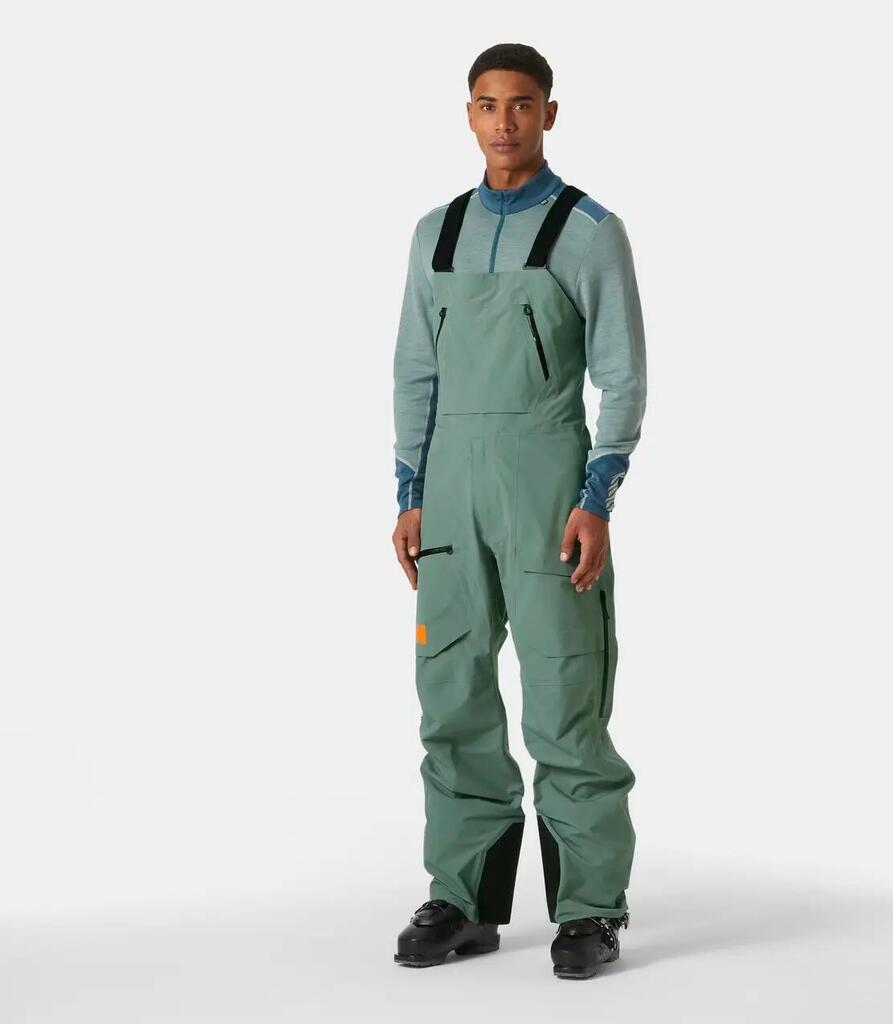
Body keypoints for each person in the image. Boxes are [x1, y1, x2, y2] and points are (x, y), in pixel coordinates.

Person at [389, 42, 648, 980]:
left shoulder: (589, 231)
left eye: (523, 104)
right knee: (450, 692)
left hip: (547, 487)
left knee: (564, 696)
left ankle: (589, 907)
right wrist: (411, 492)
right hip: (451, 488)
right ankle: (462, 897)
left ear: (549, 113)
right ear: (469, 114)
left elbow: (622, 375)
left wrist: (596, 497)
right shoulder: (436, 233)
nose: (505, 121)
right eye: (489, 104)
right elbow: (415, 371)